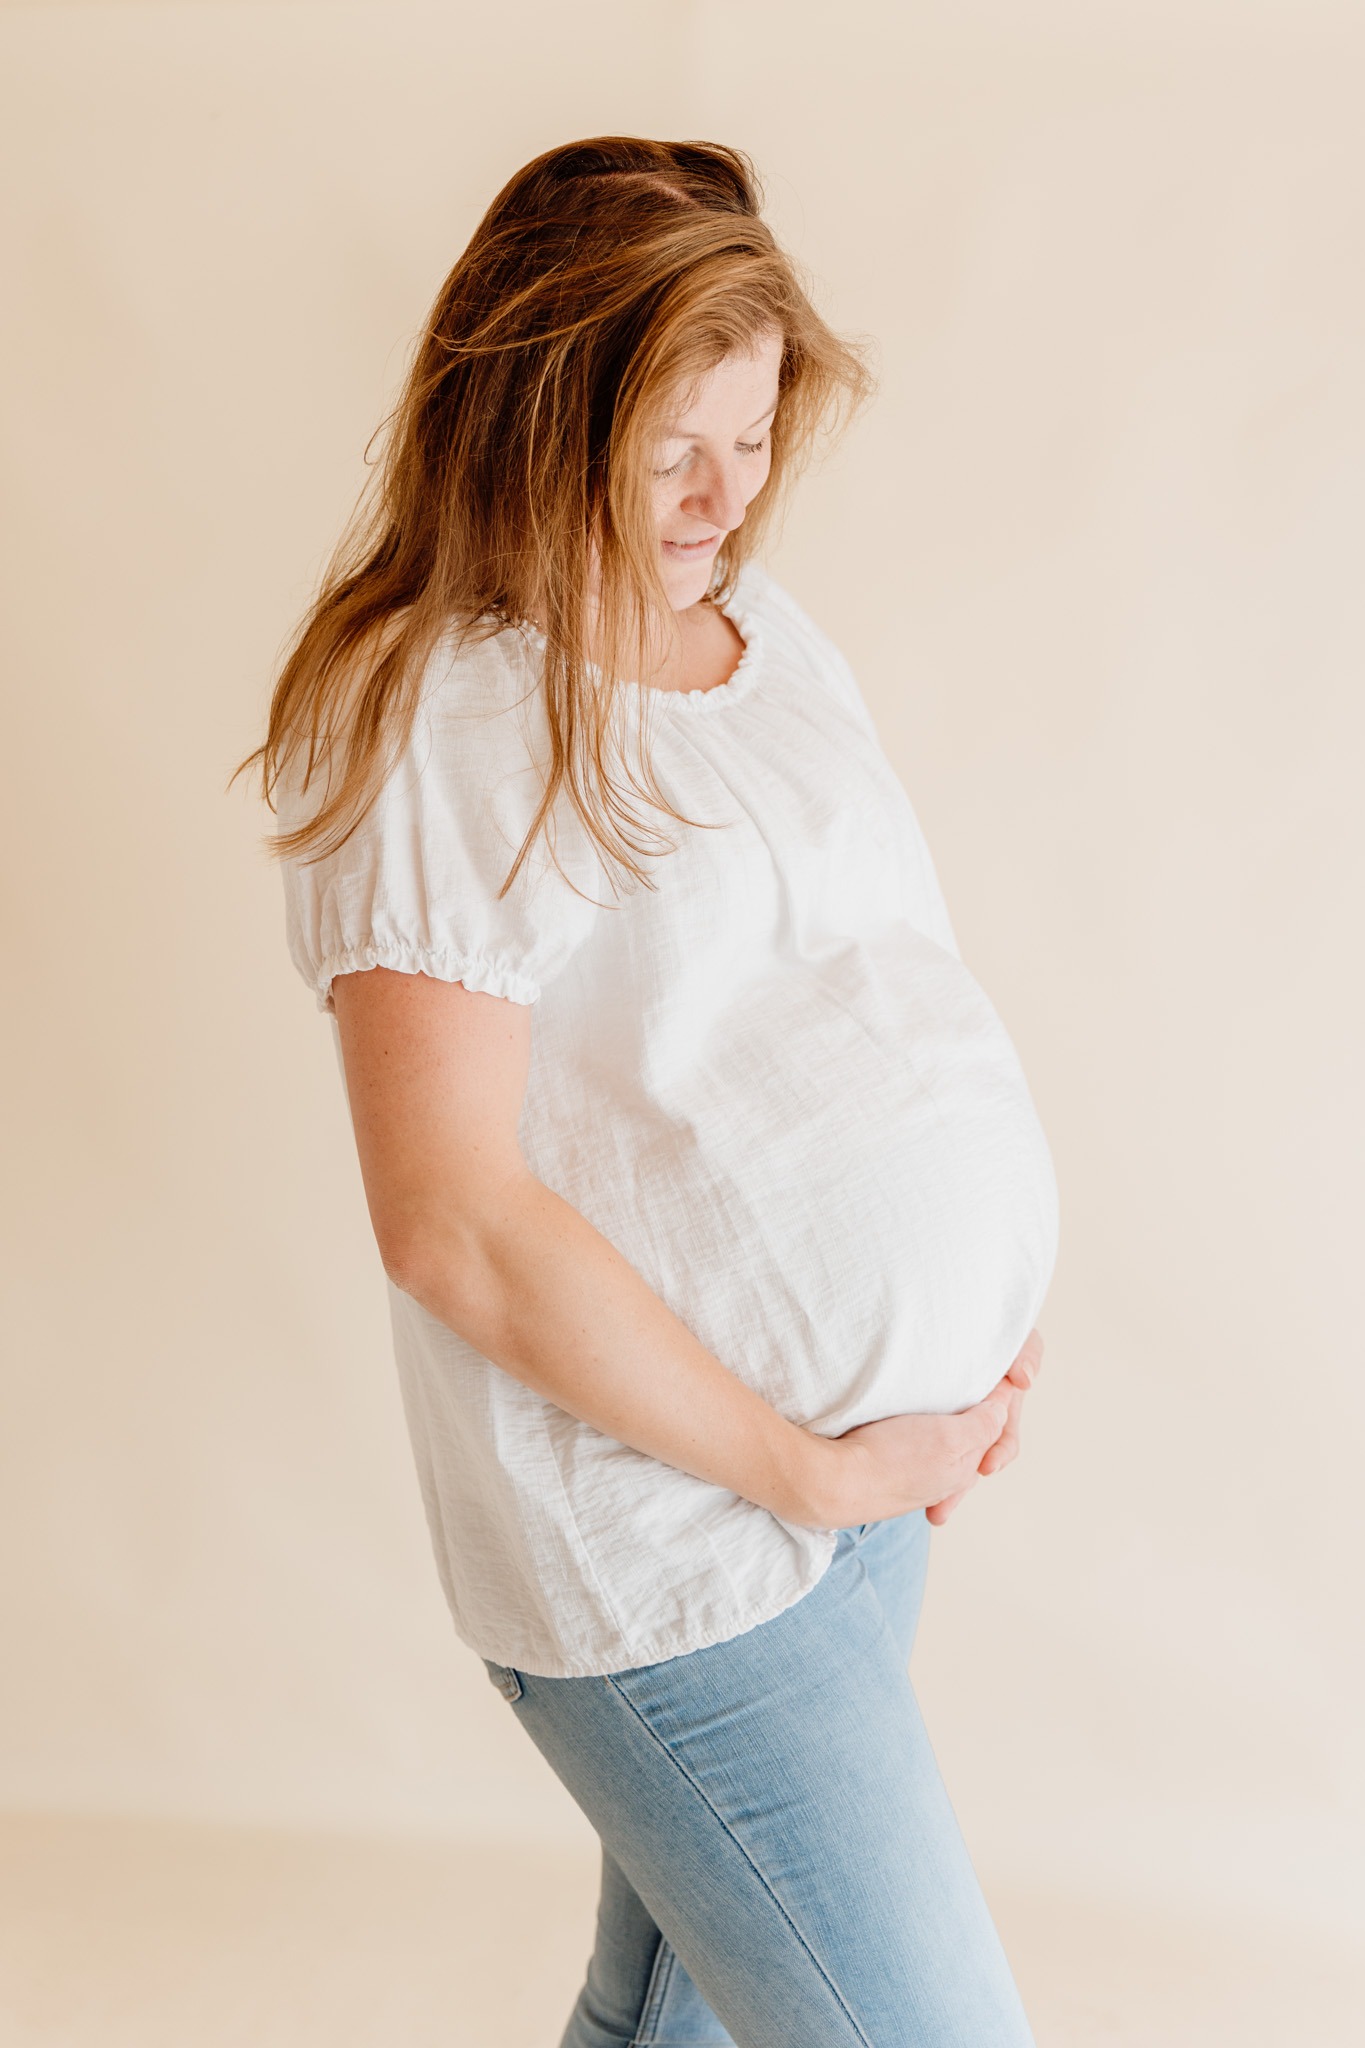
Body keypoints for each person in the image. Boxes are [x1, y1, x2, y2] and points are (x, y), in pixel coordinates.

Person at [239, 135, 1059, 2048]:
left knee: (670, 2016)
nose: (722, 495)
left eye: (756, 436)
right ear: (536, 408)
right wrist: (807, 1465)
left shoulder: (770, 647)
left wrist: (963, 1331)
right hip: (677, 1540)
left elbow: (872, 993)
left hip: (858, 1501)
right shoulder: (443, 713)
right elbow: (449, 1219)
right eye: (669, 444)